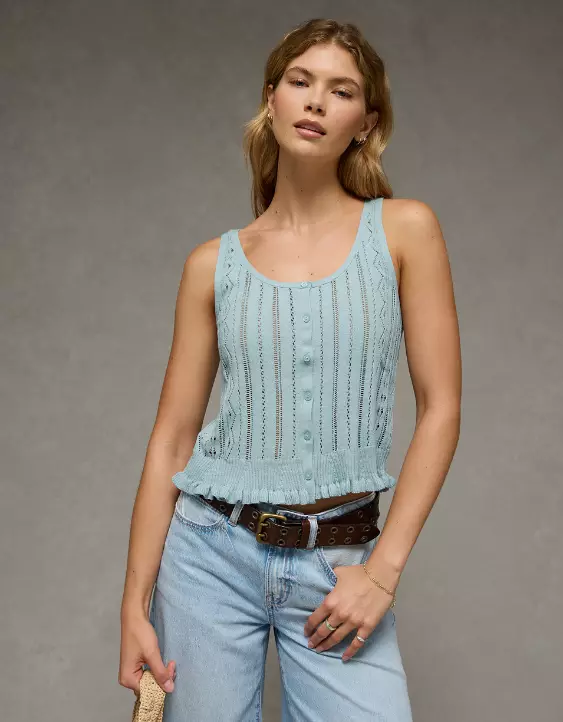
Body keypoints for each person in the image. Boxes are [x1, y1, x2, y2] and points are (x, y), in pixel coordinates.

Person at [119, 17, 461, 721]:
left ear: (366, 124)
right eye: (300, 81)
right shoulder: (211, 265)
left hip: (338, 563)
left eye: (341, 91)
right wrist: (133, 602)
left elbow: (442, 409)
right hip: (207, 556)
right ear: (270, 99)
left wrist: (382, 572)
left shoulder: (404, 231)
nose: (315, 101)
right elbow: (172, 441)